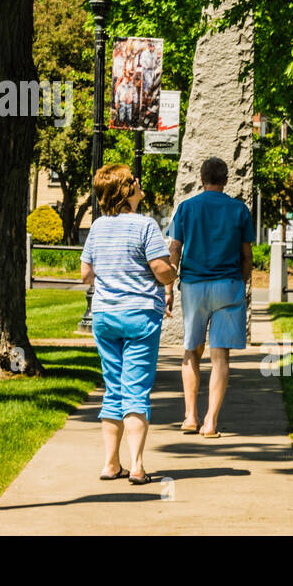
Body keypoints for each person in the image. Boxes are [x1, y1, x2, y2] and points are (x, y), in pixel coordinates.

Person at [80, 164, 177, 484]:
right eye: (134, 181)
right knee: (136, 388)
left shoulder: (97, 227)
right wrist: (172, 273)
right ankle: (136, 466)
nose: (139, 183)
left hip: (105, 316)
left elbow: (85, 274)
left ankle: (110, 464)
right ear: (127, 190)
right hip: (139, 316)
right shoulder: (145, 226)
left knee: (113, 387)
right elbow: (161, 269)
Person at [165, 156, 255, 438]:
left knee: (191, 351)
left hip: (194, 286)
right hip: (228, 284)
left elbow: (175, 250)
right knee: (220, 355)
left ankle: (190, 417)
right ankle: (211, 422)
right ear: (226, 180)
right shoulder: (239, 209)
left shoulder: (186, 208)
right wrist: (240, 283)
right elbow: (247, 256)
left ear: (201, 179)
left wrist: (168, 288)